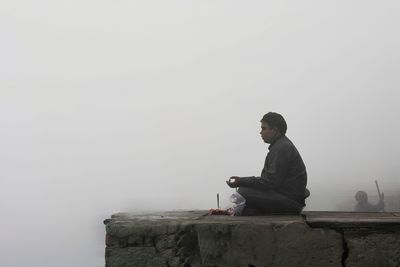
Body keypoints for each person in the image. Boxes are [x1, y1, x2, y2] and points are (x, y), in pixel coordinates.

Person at [226, 112, 309, 215]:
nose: (261, 132)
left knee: (243, 192)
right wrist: (243, 181)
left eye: (264, 128)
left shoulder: (282, 148)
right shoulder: (280, 145)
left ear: (274, 130)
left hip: (290, 202)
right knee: (245, 196)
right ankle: (252, 212)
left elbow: (269, 182)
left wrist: (241, 181)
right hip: (285, 198)